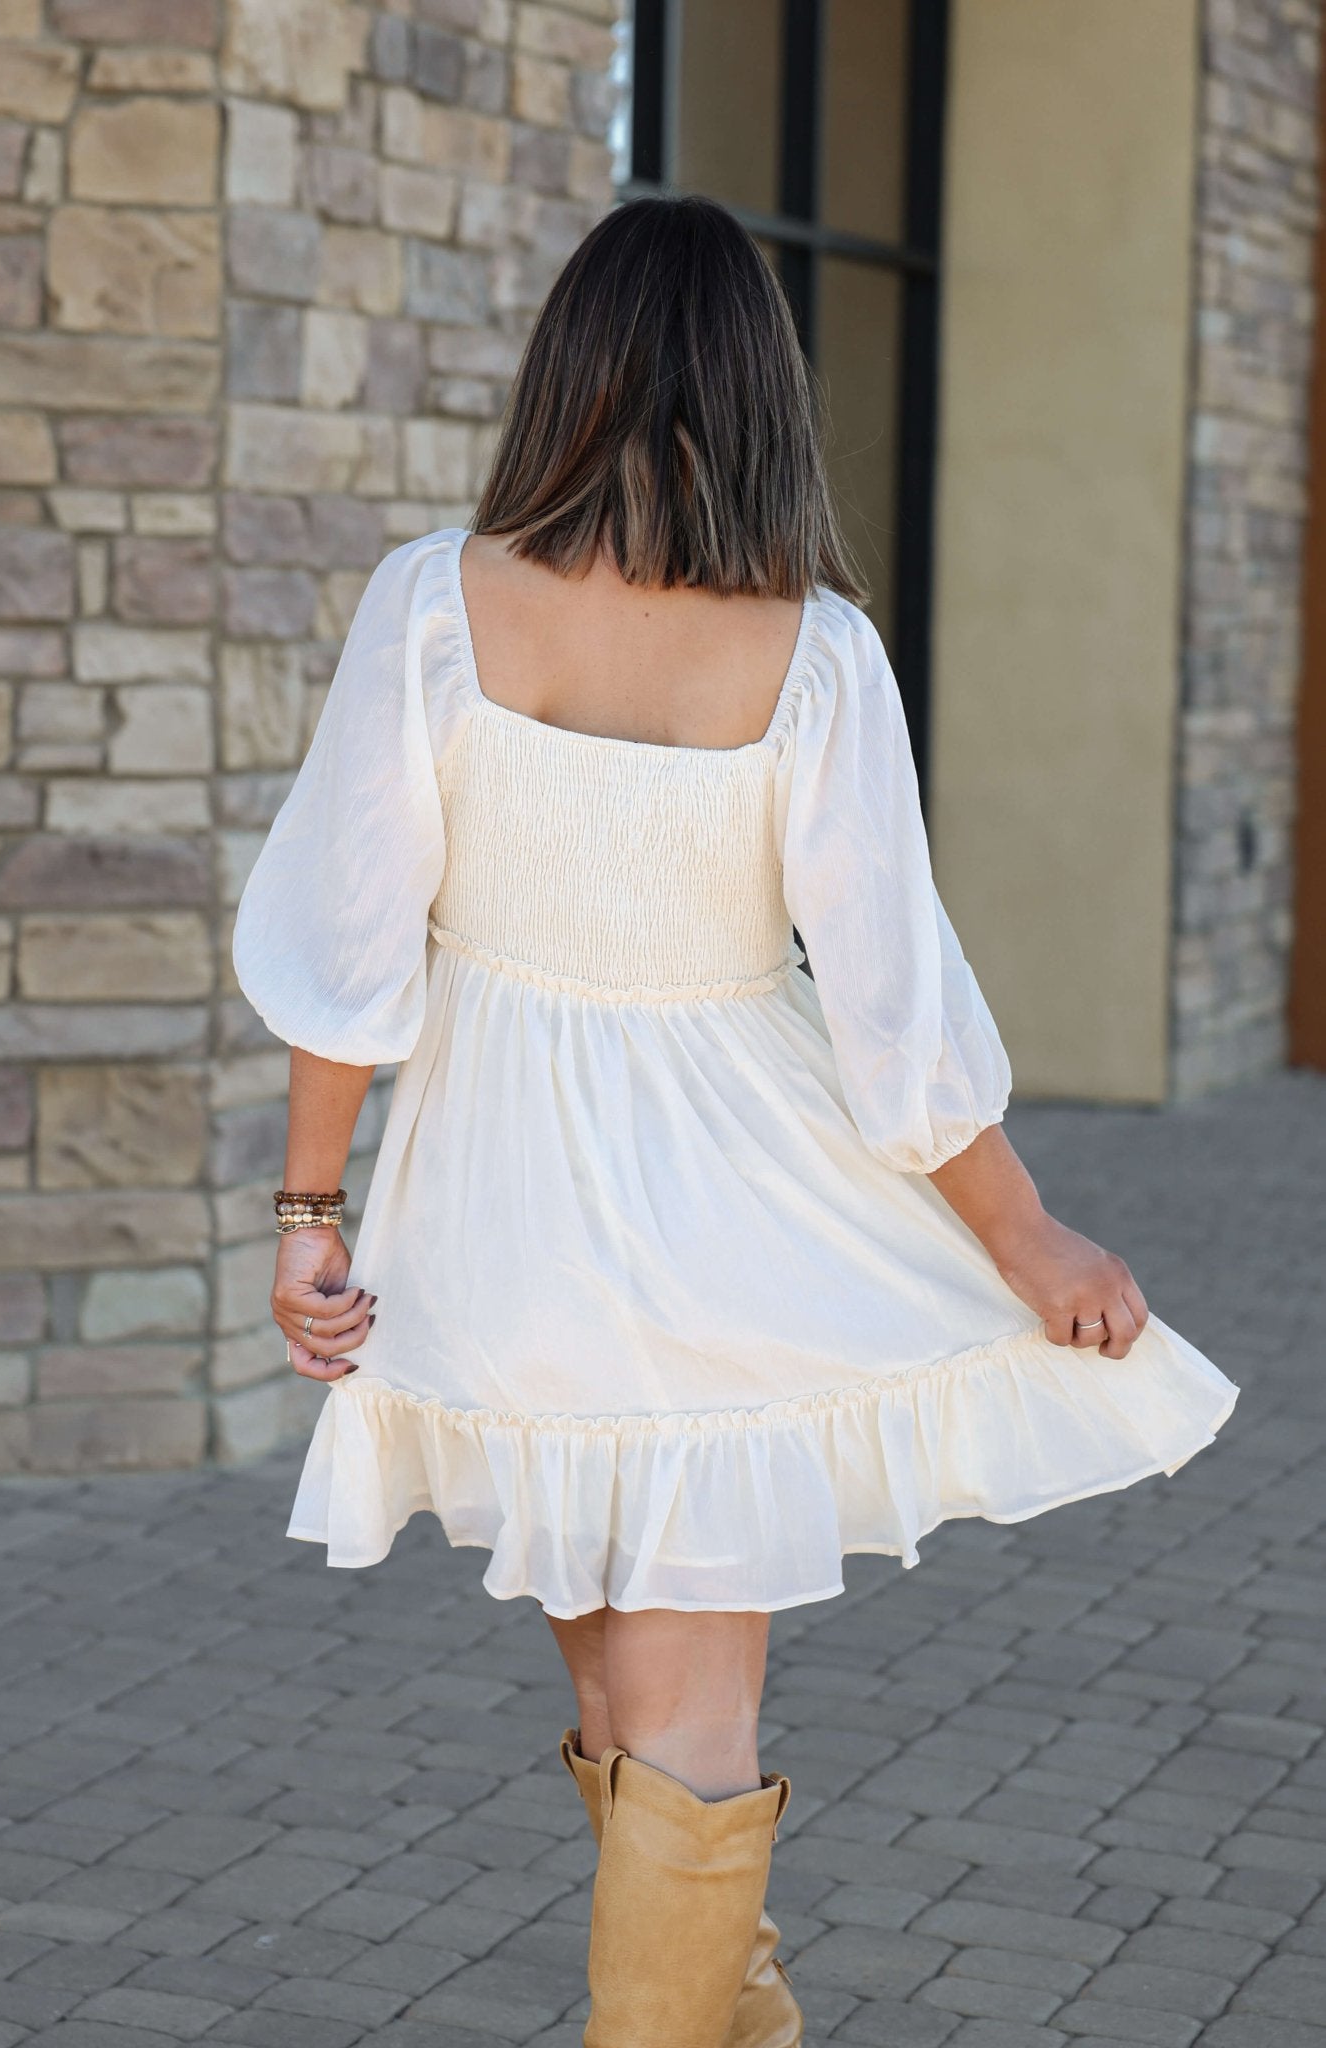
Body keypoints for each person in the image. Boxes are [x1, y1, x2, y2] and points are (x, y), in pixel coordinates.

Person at [232, 194, 1238, 2047]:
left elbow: (345, 945)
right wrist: (1026, 1237)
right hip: (733, 1219)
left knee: (626, 1709)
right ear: (768, 397)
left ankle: (726, 2014)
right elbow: (891, 1015)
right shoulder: (818, 654)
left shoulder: (429, 606)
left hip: (502, 1224)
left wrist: (309, 1213)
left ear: (568, 373)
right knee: (680, 1725)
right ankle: (715, 2014)